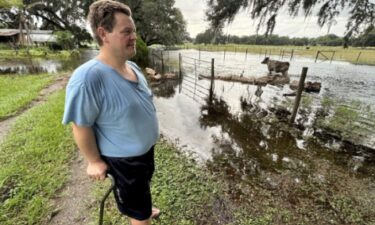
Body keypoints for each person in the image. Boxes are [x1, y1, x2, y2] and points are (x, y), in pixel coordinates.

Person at [62, 0, 160, 224]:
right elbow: (80, 125)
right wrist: (94, 160)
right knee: (138, 214)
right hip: (125, 161)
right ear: (103, 34)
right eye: (126, 31)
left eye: (133, 30)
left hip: (145, 152)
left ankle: (142, 207)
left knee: (141, 194)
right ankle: (141, 214)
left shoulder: (132, 66)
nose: (134, 36)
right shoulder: (87, 78)